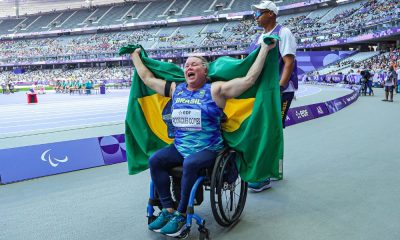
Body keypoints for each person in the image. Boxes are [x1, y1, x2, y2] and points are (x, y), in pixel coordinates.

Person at [131, 41, 276, 236]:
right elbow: (148, 79)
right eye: (187, 65)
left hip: (208, 148)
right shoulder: (176, 89)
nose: (189, 67)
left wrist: (265, 50)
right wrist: (135, 57)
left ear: (205, 71)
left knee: (191, 163)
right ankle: (168, 209)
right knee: (155, 160)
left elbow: (249, 80)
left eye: (194, 64)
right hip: (181, 146)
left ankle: (182, 214)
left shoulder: (216, 90)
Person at [248, 0, 298, 192]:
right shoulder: (260, 37)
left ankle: (266, 175)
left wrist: (280, 86)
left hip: (279, 91)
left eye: (259, 12)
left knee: (271, 130)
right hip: (263, 91)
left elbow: (288, 62)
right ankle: (273, 170)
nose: (256, 16)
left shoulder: (283, 33)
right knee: (268, 129)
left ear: (271, 13)